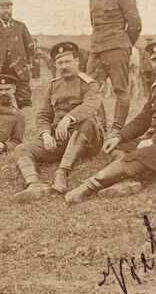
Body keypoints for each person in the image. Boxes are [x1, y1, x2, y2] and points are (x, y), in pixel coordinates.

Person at [65, 40, 156, 204]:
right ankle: (129, 180)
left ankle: (87, 187)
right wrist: (119, 136)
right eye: (154, 60)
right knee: (118, 147)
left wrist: (154, 140)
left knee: (142, 154)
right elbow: (144, 117)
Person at [14, 41, 105, 199]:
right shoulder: (53, 85)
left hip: (87, 139)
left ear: (77, 61)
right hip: (60, 139)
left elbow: (91, 105)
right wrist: (46, 135)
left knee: (87, 121)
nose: (64, 66)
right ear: (55, 65)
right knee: (21, 149)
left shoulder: (89, 84)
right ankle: (34, 184)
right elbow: (43, 115)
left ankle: (62, 173)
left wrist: (69, 118)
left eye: (67, 61)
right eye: (60, 63)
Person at [86, 0, 142, 135]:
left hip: (117, 48)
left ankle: (116, 130)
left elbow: (135, 25)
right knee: (90, 89)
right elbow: (94, 24)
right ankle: (100, 127)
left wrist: (124, 44)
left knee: (120, 90)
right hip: (96, 49)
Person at [0, 0, 35, 107]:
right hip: (0, 70)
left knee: (23, 100)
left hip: (19, 70)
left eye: (8, 7)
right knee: (1, 101)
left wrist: (29, 63)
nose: (5, 10)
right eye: (2, 8)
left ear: (12, 9)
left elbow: (30, 46)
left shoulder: (20, 26)